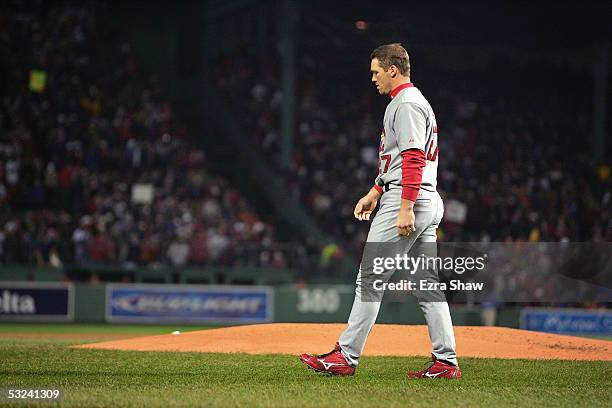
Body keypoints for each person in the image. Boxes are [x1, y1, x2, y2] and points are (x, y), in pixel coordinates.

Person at [300, 43, 461, 379]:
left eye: (376, 71)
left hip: (409, 198)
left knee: (370, 278)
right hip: (418, 196)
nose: (372, 78)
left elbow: (415, 158)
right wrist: (376, 190)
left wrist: (404, 207)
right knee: (427, 283)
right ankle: (446, 362)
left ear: (392, 69)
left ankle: (345, 355)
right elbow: (401, 159)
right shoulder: (407, 102)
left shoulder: (406, 103)